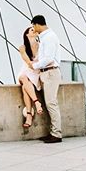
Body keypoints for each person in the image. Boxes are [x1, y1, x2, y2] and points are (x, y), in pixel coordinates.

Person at [29, 14, 62, 143]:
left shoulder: (49, 38)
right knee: (50, 103)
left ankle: (56, 134)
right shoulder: (46, 37)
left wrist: (35, 66)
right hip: (47, 73)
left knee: (51, 103)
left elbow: (49, 59)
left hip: (50, 73)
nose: (33, 28)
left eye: (33, 25)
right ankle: (53, 132)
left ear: (37, 24)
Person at [17, 26, 43, 129]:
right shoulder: (22, 47)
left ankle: (29, 115)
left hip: (35, 72)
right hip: (26, 70)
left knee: (25, 88)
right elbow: (27, 61)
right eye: (32, 30)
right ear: (27, 34)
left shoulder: (41, 46)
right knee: (23, 77)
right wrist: (32, 63)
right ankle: (37, 103)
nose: (35, 30)